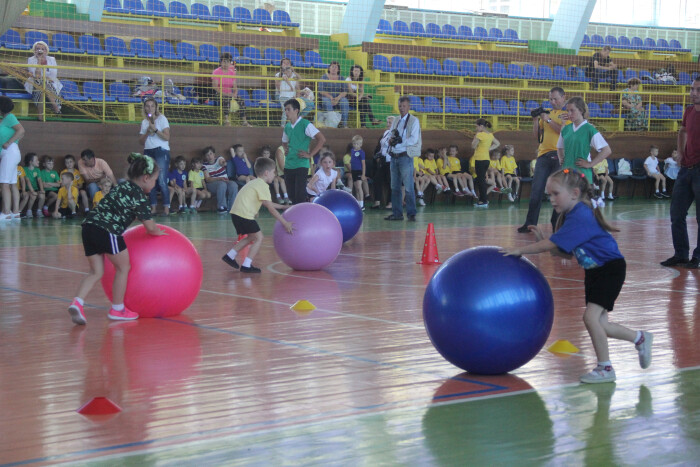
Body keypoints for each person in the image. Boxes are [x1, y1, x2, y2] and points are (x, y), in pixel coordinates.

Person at [501, 168, 653, 383]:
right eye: (549, 195)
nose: (552, 199)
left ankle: (605, 368)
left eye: (555, 194)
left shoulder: (581, 213)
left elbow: (552, 245)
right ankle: (640, 338)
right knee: (602, 325)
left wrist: (521, 250)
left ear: (574, 193)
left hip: (610, 269)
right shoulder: (571, 215)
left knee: (590, 318)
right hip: (595, 272)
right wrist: (543, 239)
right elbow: (562, 251)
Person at [67, 153, 166, 325]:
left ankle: (77, 302)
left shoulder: (122, 186)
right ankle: (117, 309)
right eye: (155, 180)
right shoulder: (140, 197)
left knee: (95, 271)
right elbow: (150, 227)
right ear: (145, 177)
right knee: (123, 267)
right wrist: (161, 233)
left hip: (88, 227)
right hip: (108, 230)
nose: (155, 184)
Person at [221, 157, 293, 274]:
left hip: (236, 213)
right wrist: (285, 223)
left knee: (251, 237)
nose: (274, 174)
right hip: (244, 214)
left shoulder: (256, 183)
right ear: (266, 173)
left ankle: (230, 256)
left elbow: (267, 203)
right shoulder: (263, 186)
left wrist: (284, 207)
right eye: (274, 172)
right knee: (259, 237)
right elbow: (271, 209)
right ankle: (246, 265)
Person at [518, 87, 569, 233]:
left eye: (555, 99)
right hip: (543, 155)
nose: (552, 102)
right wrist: (536, 120)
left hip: (560, 156)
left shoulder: (567, 114)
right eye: (550, 99)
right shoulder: (547, 114)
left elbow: (563, 132)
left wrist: (548, 119)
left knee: (558, 191)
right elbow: (537, 136)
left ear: (563, 97)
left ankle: (557, 224)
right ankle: (530, 224)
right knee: (536, 190)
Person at [663, 78, 700, 268]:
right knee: (677, 213)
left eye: (698, 90)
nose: (693, 93)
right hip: (686, 169)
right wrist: (680, 153)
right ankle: (681, 254)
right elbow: (682, 131)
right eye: (692, 89)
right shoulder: (689, 111)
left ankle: (698, 257)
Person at [558, 97, 612, 186]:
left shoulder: (589, 129)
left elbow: (606, 150)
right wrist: (561, 158)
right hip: (567, 176)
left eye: (572, 110)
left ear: (581, 111)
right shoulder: (566, 129)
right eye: (568, 111)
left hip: (582, 177)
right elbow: (560, 147)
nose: (569, 113)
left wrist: (590, 164)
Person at [282, 98, 326, 204]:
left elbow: (321, 139)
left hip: (301, 164)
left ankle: (302, 216)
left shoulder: (305, 124)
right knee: (292, 195)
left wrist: (310, 154)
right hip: (288, 165)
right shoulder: (287, 126)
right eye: (285, 110)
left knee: (300, 194)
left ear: (296, 110)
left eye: (288, 109)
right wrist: (285, 149)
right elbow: (284, 141)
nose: (286, 112)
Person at [385, 96, 421, 221]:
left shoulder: (414, 121)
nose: (402, 108)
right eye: (400, 106)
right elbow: (391, 133)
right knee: (395, 187)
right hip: (394, 156)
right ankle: (397, 213)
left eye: (404, 106)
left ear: (409, 107)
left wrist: (400, 142)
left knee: (409, 187)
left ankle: (411, 214)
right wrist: (391, 140)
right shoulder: (396, 120)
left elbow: (413, 139)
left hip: (405, 156)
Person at [138, 97, 171, 215]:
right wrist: (147, 131)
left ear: (156, 107)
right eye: (147, 106)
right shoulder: (144, 122)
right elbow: (141, 141)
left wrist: (156, 130)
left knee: (161, 180)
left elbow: (167, 137)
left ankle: (166, 208)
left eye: (152, 106)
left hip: (161, 151)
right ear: (145, 108)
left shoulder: (162, 119)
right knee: (150, 180)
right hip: (148, 151)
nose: (150, 108)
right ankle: (153, 207)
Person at [0, 96, 25, 220]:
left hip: (10, 151)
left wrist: (8, 143)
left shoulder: (10, 117)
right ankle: (15, 212)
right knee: (12, 183)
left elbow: (21, 131)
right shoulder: (4, 120)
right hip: (9, 153)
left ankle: (6, 213)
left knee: (4, 183)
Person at [24, 41, 62, 121]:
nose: (40, 51)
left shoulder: (52, 59)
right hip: (34, 83)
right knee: (41, 84)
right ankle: (55, 105)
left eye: (42, 49)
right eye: (37, 49)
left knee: (42, 89)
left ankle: (40, 115)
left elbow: (53, 74)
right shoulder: (31, 59)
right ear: (34, 50)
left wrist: (44, 78)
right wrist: (39, 60)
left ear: (46, 51)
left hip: (50, 83)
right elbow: (36, 76)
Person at [212, 52, 252, 127]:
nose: (226, 63)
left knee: (241, 101)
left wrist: (235, 94)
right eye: (224, 61)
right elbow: (215, 87)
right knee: (226, 99)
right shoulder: (216, 72)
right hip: (219, 95)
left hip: (230, 94)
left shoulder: (231, 73)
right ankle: (227, 121)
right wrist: (227, 94)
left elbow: (235, 87)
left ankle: (244, 121)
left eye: (228, 61)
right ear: (221, 62)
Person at [471, 118, 500, 208]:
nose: (476, 128)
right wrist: (489, 149)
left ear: (481, 126)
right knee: (482, 180)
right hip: (486, 160)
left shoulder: (480, 135)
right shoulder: (490, 135)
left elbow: (473, 146)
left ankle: (483, 201)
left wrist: (476, 136)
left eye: (477, 126)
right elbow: (497, 143)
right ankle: (483, 200)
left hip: (480, 159)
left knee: (481, 181)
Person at [201, 146, 238, 213]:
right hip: (212, 184)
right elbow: (208, 179)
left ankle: (232, 207)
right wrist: (219, 178)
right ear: (205, 157)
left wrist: (223, 163)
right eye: (207, 155)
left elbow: (222, 162)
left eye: (211, 153)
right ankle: (222, 207)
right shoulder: (204, 166)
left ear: (214, 154)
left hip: (225, 181)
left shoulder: (219, 159)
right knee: (222, 184)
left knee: (233, 185)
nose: (209, 156)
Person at [371, 116, 395, 209]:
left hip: (391, 161)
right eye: (387, 122)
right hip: (382, 159)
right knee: (377, 179)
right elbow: (381, 146)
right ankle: (377, 201)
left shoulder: (396, 134)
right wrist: (378, 155)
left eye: (390, 123)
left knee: (390, 182)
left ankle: (390, 202)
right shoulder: (386, 133)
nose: (387, 124)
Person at [319, 61, 349, 128]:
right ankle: (331, 125)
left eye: (336, 67)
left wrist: (338, 98)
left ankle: (344, 124)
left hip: (338, 98)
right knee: (327, 101)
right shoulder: (323, 77)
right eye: (332, 66)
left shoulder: (341, 78)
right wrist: (330, 97)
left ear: (338, 69)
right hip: (326, 97)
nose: (334, 68)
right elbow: (321, 90)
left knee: (344, 101)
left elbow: (345, 91)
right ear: (329, 68)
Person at [275, 58, 301, 127]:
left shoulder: (294, 75)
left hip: (293, 97)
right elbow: (277, 86)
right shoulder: (278, 75)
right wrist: (283, 73)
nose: (286, 64)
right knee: (286, 110)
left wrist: (293, 71)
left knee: (297, 109)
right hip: (283, 96)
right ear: (281, 65)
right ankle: (282, 126)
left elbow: (299, 83)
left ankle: (293, 126)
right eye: (284, 63)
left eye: (288, 63)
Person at [22, 152, 45, 218]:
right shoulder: (25, 169)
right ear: (30, 162)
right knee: (33, 196)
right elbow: (27, 181)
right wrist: (32, 191)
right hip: (27, 189)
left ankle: (39, 211)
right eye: (36, 160)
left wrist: (42, 190)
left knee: (42, 195)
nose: (38, 161)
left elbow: (39, 180)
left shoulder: (37, 170)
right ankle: (29, 211)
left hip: (35, 189)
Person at [348, 135, 367, 210]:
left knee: (359, 187)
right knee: (356, 187)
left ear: (361, 144)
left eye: (358, 144)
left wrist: (363, 174)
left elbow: (363, 164)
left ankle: (362, 204)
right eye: (355, 144)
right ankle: (359, 203)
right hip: (354, 171)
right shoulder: (352, 150)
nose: (356, 145)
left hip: (359, 171)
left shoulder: (361, 152)